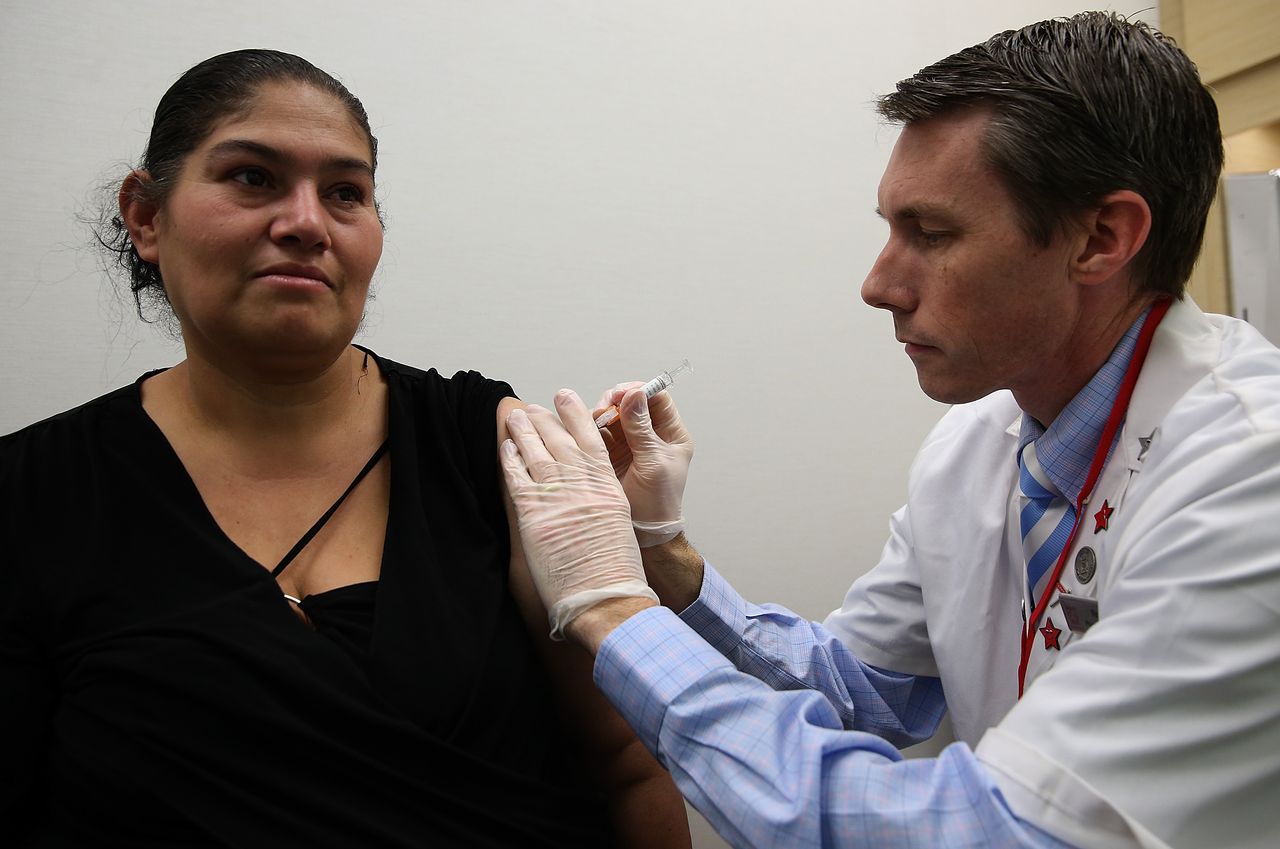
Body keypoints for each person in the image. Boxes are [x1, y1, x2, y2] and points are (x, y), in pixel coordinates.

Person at [498, 12, 1280, 849]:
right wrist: (661, 557)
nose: (879, 285)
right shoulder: (980, 442)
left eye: (931, 234)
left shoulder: (1247, 476)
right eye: (889, 228)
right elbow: (863, 689)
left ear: (1102, 238)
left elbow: (982, 832)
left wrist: (613, 610)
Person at [0, 49, 690, 848]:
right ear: (146, 217)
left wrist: (663, 549)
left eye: (344, 193)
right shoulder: (30, 497)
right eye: (252, 177)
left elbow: (628, 766)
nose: (305, 223)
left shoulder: (488, 445)